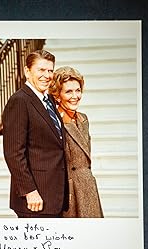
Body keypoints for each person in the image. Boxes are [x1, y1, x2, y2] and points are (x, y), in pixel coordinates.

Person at [2, 50, 69, 218]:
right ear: (27, 71)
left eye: (50, 70)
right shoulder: (20, 101)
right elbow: (13, 153)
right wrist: (29, 191)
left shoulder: (49, 100)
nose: (47, 75)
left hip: (54, 197)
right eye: (41, 70)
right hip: (35, 200)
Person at [48, 66, 103, 218]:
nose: (75, 96)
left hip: (88, 187)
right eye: (68, 91)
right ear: (57, 95)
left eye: (78, 90)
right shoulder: (54, 122)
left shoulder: (83, 118)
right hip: (69, 193)